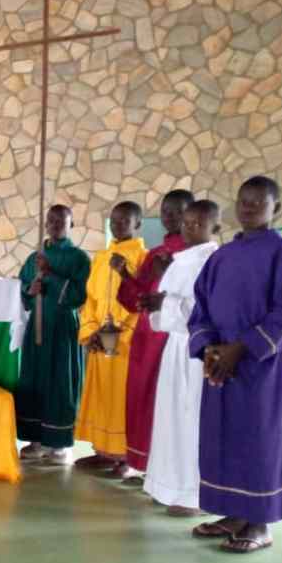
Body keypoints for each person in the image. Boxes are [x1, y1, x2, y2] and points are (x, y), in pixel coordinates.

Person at [188, 177, 282, 553]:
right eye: (243, 201)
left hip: (262, 366)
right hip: (221, 365)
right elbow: (201, 305)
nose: (249, 207)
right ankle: (235, 512)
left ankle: (260, 522)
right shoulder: (221, 256)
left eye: (258, 202)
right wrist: (209, 347)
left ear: (276, 208)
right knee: (224, 438)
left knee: (259, 440)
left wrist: (241, 348)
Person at [141, 200, 220, 516]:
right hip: (175, 349)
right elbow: (167, 306)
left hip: (198, 351)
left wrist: (165, 303)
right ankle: (169, 485)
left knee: (191, 419)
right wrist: (154, 304)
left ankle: (194, 495)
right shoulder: (179, 261)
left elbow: (207, 310)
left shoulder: (213, 262)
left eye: (198, 224)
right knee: (170, 418)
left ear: (215, 227)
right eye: (186, 223)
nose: (189, 228)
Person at [112, 190, 194, 483]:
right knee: (142, 397)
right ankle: (142, 461)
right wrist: (125, 275)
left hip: (174, 337)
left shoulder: (196, 253)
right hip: (147, 335)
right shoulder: (156, 252)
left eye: (178, 211)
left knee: (168, 402)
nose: (170, 217)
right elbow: (137, 299)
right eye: (165, 211)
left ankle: (167, 469)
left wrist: (168, 271)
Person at [74, 201, 147, 478]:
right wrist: (91, 331)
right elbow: (91, 298)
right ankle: (103, 451)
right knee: (101, 394)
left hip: (125, 342)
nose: (117, 225)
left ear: (137, 224)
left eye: (124, 221)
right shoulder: (101, 257)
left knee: (122, 398)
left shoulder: (143, 257)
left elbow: (141, 301)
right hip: (98, 339)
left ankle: (126, 457)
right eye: (114, 220)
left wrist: (118, 332)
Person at [16, 205, 91, 466]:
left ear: (72, 224)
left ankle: (59, 443)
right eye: (51, 220)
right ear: (45, 224)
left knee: (60, 381)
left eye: (62, 220)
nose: (55, 224)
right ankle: (35, 440)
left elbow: (80, 294)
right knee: (34, 379)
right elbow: (22, 290)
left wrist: (52, 275)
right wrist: (30, 289)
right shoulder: (34, 258)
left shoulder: (79, 258)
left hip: (62, 328)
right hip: (37, 326)